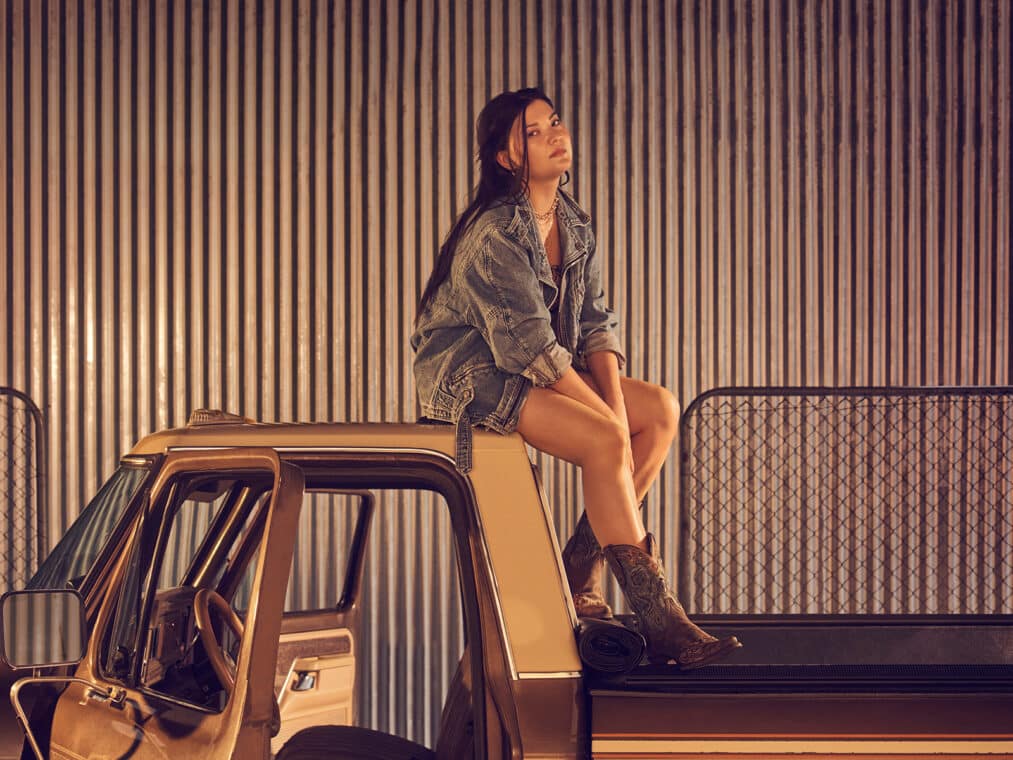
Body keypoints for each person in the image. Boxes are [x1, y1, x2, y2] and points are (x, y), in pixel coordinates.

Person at [411, 87, 740, 669]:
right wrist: (606, 419)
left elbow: (594, 324)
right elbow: (530, 347)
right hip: (471, 375)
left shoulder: (574, 224)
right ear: (508, 158)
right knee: (606, 438)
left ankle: (579, 574)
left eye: (554, 122)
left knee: (660, 410)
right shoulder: (494, 237)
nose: (554, 135)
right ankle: (660, 619)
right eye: (533, 132)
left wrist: (612, 404)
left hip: (533, 362)